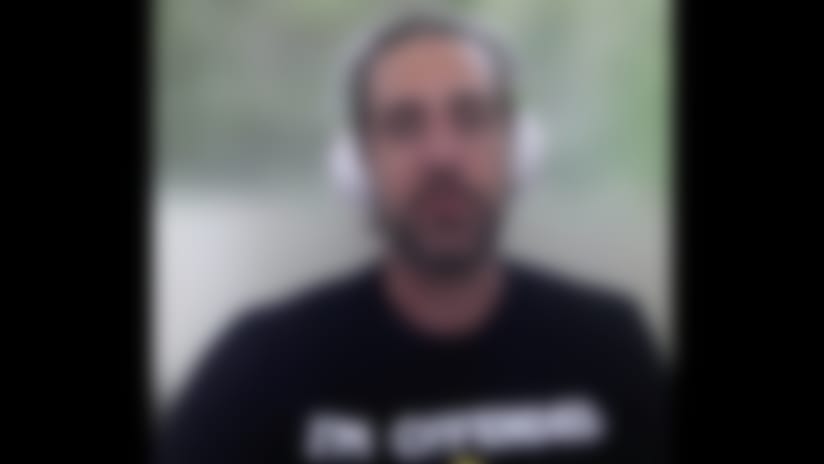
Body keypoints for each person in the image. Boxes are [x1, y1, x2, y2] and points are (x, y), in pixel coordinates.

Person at [157, 12, 668, 464]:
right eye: (404, 124)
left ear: (515, 149)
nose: (441, 155)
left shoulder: (611, 344)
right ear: (359, 164)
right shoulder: (259, 365)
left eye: (470, 117)